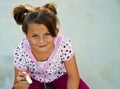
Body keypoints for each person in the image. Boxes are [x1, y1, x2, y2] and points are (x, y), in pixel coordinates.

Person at [12, 2, 90, 89]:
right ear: (26, 36)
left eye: (47, 34)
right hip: (33, 79)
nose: (41, 41)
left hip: (60, 76)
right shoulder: (21, 52)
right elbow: (17, 83)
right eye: (35, 36)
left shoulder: (64, 45)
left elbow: (73, 76)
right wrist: (21, 85)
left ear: (56, 32)